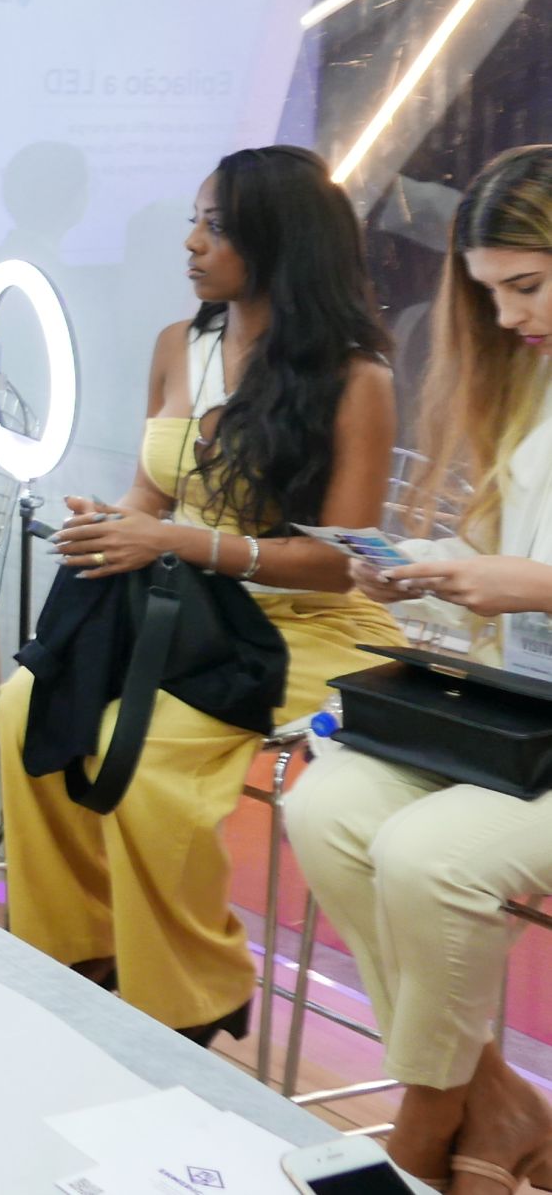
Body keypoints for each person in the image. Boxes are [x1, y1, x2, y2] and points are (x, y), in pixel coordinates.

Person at [0, 145, 403, 1042]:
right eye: (194, 220)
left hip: (309, 626)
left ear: (280, 241)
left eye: (215, 227)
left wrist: (179, 540)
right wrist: (114, 525)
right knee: (25, 706)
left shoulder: (356, 380)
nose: (190, 243)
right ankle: (74, 948)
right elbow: (153, 492)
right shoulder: (179, 345)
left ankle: (191, 988)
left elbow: (337, 562)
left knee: (141, 751)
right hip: (190, 609)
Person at [285, 145, 552, 1194]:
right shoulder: (532, 384)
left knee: (429, 856)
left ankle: (428, 1116)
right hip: (518, 710)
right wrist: (420, 575)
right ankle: (491, 1097)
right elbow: (503, 571)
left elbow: (527, 580)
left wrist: (533, 586)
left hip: (529, 723)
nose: (508, 317)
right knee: (326, 809)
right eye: (490, 293)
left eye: (526, 285)